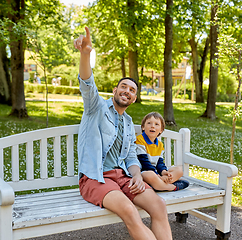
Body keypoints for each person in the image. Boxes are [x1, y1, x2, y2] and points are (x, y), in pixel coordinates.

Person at [74, 26, 173, 240]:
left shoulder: (128, 122)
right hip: (96, 178)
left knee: (159, 206)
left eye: (132, 90)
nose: (127, 91)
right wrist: (85, 54)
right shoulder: (96, 107)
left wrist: (137, 175)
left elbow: (129, 155)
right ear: (115, 90)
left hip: (123, 177)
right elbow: (87, 84)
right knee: (129, 211)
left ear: (134, 98)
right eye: (123, 87)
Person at [136, 112, 189, 191]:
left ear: (161, 130)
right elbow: (144, 162)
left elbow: (160, 162)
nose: (152, 126)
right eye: (149, 123)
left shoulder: (160, 145)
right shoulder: (140, 140)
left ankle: (159, 184)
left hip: (156, 173)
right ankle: (172, 187)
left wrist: (164, 172)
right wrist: (157, 175)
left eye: (156, 124)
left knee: (179, 170)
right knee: (149, 175)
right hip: (144, 171)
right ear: (143, 127)